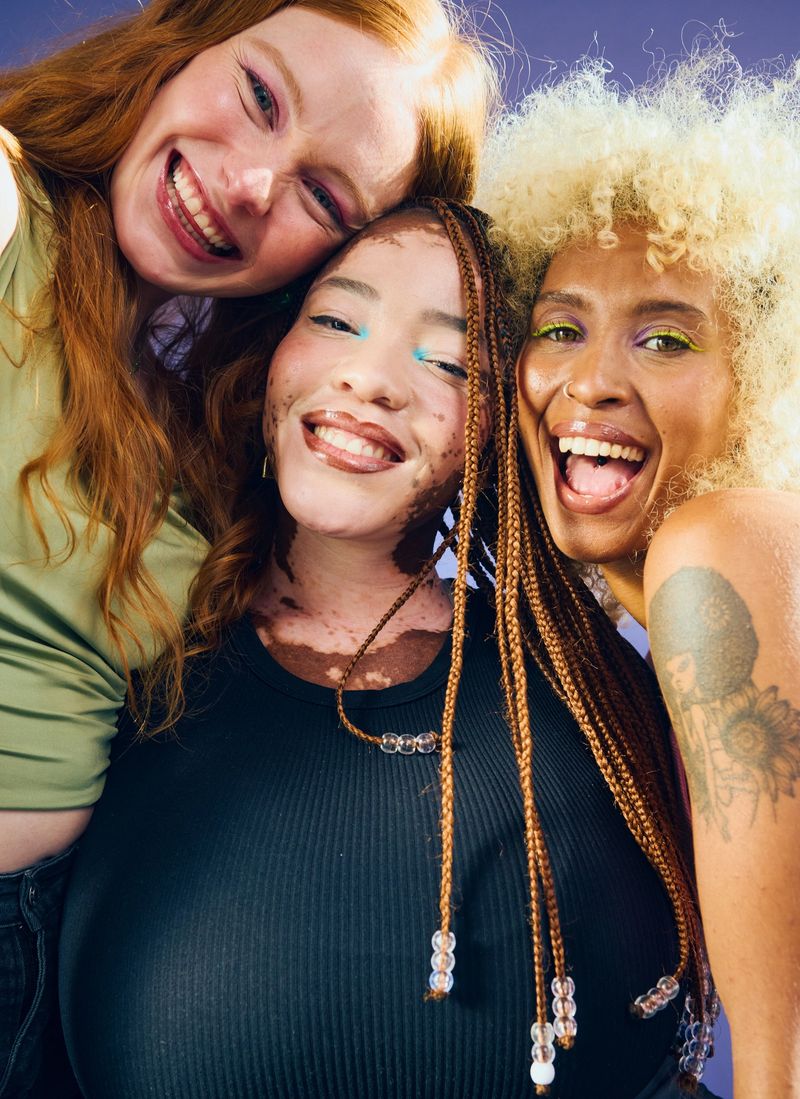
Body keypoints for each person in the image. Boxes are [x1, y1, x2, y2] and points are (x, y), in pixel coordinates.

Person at [59, 201, 717, 1098]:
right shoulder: (114, 655)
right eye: (335, 319)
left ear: (498, 420)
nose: (369, 378)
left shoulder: (588, 687)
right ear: (274, 348)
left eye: (447, 360)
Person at [0, 2, 495, 1092]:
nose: (248, 186)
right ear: (184, 40)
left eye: (323, 194)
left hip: (32, 987)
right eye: (259, 97)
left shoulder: (198, 443)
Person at [477, 49, 800, 1099]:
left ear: (757, 380)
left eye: (663, 339)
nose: (590, 381)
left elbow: (774, 1070)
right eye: (558, 328)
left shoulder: (720, 543)